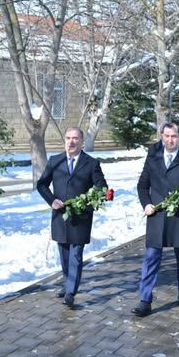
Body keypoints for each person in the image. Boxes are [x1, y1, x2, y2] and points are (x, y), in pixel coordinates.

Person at [132, 122, 179, 317]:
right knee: (151, 258)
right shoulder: (153, 159)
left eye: (174, 136)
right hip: (157, 216)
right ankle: (145, 299)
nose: (170, 140)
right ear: (162, 137)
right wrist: (146, 204)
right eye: (167, 136)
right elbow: (142, 185)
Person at [36, 127, 108, 308]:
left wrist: (90, 201)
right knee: (64, 253)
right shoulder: (55, 161)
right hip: (60, 216)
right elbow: (42, 185)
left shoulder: (91, 163)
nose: (71, 142)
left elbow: (102, 188)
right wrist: (52, 201)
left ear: (82, 141)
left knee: (75, 254)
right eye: (68, 138)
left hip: (81, 217)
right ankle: (68, 282)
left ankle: (70, 292)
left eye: (75, 138)